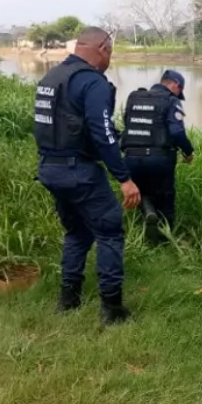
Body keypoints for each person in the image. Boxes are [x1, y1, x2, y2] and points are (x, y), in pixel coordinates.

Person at [33, 26, 140, 325]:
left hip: (49, 168)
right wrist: (123, 178)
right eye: (111, 53)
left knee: (77, 233)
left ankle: (69, 299)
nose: (110, 59)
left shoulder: (51, 77)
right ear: (103, 48)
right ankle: (112, 309)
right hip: (78, 170)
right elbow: (103, 133)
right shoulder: (92, 82)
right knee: (109, 232)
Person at [121, 70, 194, 241]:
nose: (178, 93)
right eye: (179, 89)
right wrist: (188, 151)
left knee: (141, 190)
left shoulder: (134, 97)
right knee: (165, 197)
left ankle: (148, 214)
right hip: (159, 158)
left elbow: (127, 123)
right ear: (175, 85)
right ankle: (165, 239)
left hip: (131, 157)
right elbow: (176, 132)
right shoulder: (171, 100)